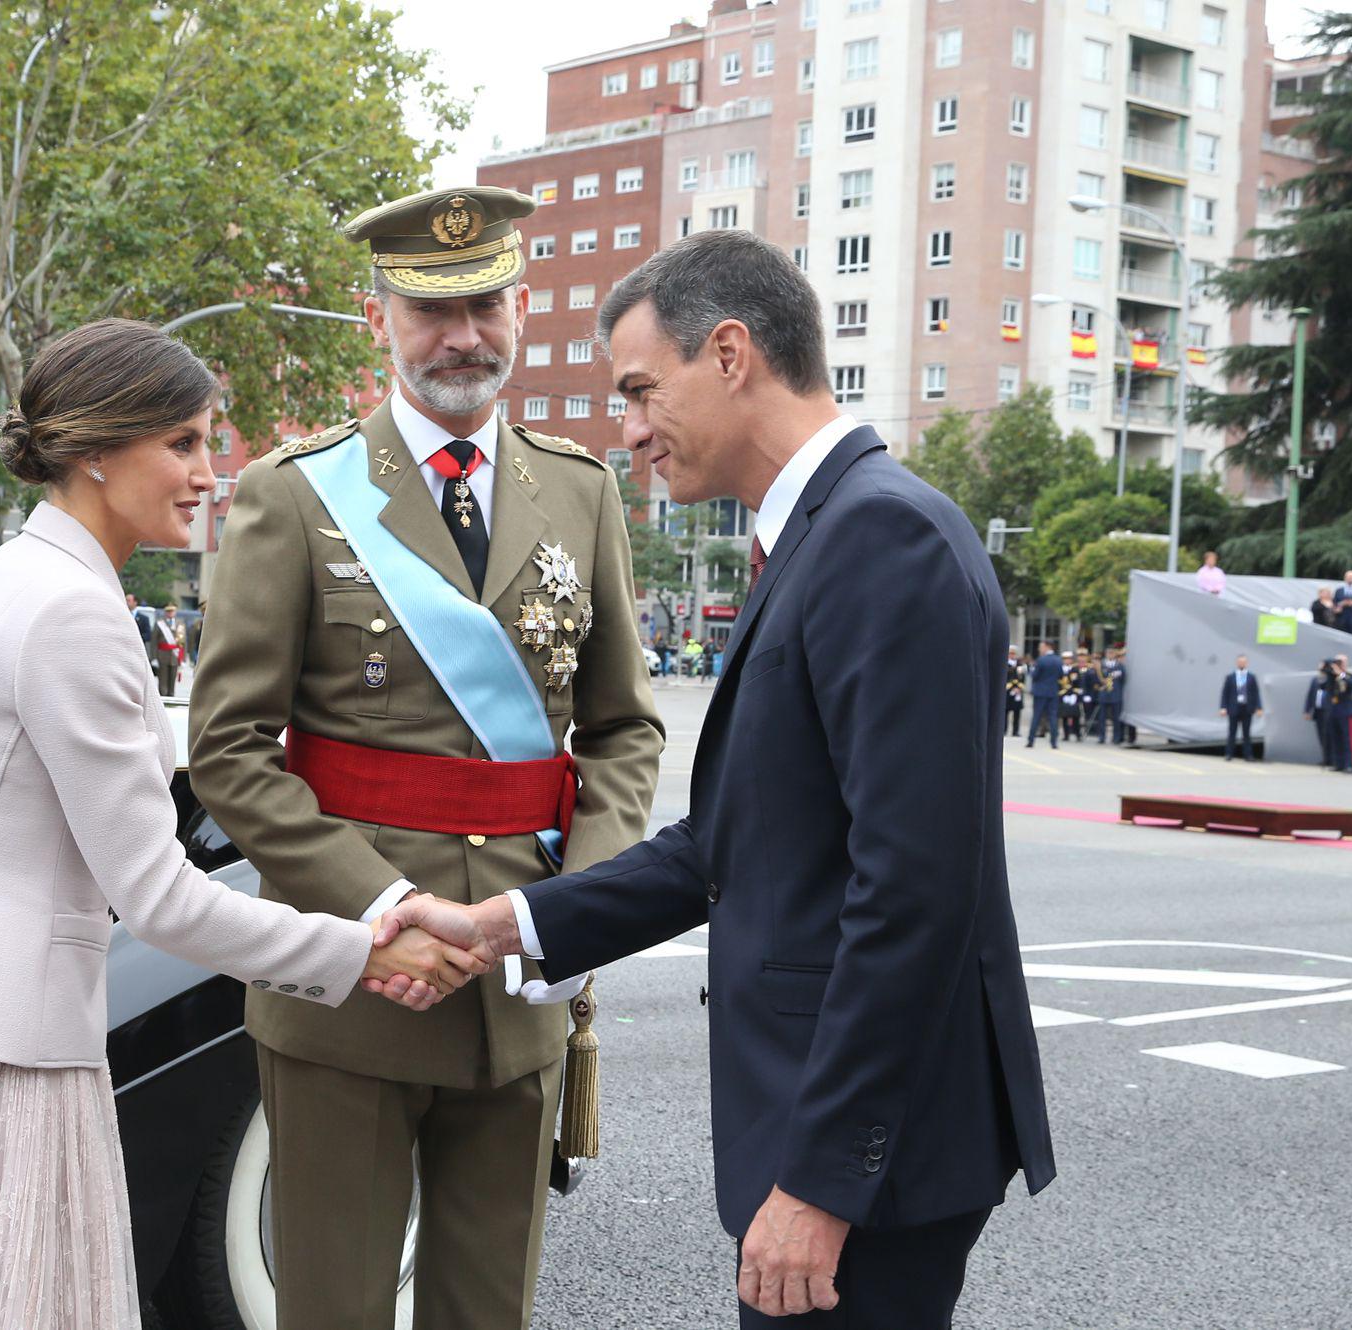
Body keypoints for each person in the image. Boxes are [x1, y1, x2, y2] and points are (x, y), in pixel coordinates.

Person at [382, 228, 1054, 1328]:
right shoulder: (824, 536)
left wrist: (824, 1182)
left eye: (641, 389)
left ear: (731, 353)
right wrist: (503, 925)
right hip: (831, 1140)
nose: (629, 429)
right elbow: (727, 844)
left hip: (864, 1167)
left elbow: (913, 895)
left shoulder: (881, 541)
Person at [0, 318, 479, 1330]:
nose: (206, 472)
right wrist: (358, 951)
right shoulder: (75, 615)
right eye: (182, 443)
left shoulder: (13, 574)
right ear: (95, 449)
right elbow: (159, 896)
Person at [187, 185, 665, 1330]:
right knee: (335, 1310)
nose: (461, 337)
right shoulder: (292, 496)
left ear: (519, 307)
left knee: (483, 1311)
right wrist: (387, 905)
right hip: (352, 975)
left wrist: (574, 912)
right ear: (378, 320)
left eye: (485, 305)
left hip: (518, 978)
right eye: (430, 309)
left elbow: (623, 730)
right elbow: (230, 747)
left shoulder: (581, 491)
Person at [1218, 652, 1264, 760]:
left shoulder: (1251, 677)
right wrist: (1223, 707)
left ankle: (1248, 755)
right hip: (1234, 707)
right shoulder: (1231, 677)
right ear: (1237, 663)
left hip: (1247, 708)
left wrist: (1259, 707)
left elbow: (1256, 693)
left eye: (1244, 661)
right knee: (1232, 732)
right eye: (1240, 661)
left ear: (1246, 663)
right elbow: (1225, 693)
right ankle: (1229, 754)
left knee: (1246, 733)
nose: (1242, 663)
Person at [1027, 640, 1064, 748]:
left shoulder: (1041, 660)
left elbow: (1035, 675)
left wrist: (1030, 670)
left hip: (1040, 691)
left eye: (1041, 647)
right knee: (1053, 716)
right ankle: (1054, 742)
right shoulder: (1058, 660)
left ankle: (1031, 740)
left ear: (1047, 647)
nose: (1039, 649)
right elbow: (1061, 675)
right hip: (1053, 691)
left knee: (1036, 716)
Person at [1305, 660, 1338, 769]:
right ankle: (1326, 758)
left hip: (1328, 711)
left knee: (1330, 736)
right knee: (1321, 736)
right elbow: (1310, 695)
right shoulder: (1315, 680)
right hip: (1318, 711)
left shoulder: (1332, 678)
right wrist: (1307, 710)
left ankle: (1333, 759)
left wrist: (1332, 672)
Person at [1330, 653, 1352, 772]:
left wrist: (1341, 674)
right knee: (1336, 738)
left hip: (1346, 710)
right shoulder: (1331, 675)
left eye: (1341, 662)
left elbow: (1351, 684)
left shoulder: (1349, 674)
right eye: (1337, 661)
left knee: (1348, 738)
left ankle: (1350, 764)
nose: (1339, 664)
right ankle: (1339, 763)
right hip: (1334, 709)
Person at [1096, 644, 1128, 743]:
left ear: (1115, 654)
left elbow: (1123, 680)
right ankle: (1102, 737)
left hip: (1115, 694)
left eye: (1112, 653)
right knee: (1102, 718)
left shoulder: (1120, 666)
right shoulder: (1100, 665)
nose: (1110, 655)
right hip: (1104, 694)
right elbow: (1096, 679)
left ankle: (1116, 737)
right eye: (1109, 653)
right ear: (1106, 654)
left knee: (1116, 718)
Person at [151, 603, 183, 696]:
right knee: (163, 681)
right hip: (162, 655)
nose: (170, 613)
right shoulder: (159, 623)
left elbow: (183, 642)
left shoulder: (179, 623)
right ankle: (163, 700)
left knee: (172, 681)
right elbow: (154, 642)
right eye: (168, 611)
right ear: (165, 612)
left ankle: (171, 698)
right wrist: (154, 658)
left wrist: (183, 658)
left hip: (175, 655)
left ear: (175, 612)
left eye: (172, 611)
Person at [1005, 647, 1026, 737]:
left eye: (1013, 654)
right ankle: (1004, 730)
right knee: (1005, 711)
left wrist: (1019, 688)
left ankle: (1015, 731)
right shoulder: (1004, 665)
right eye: (1010, 654)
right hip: (1007, 690)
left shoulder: (1020, 665)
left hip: (1017, 691)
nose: (1012, 655)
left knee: (1017, 712)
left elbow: (1023, 678)